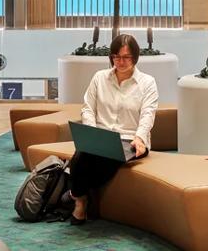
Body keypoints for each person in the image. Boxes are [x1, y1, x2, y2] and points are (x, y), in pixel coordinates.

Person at [67, 33, 158, 225]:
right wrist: (92, 133)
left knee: (92, 158)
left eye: (126, 57)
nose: (120, 62)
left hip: (131, 140)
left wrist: (140, 138)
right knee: (83, 154)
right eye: (116, 57)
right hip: (101, 135)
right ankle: (81, 198)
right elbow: (88, 108)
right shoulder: (99, 78)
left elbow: (148, 114)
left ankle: (78, 196)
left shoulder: (147, 82)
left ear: (135, 57)